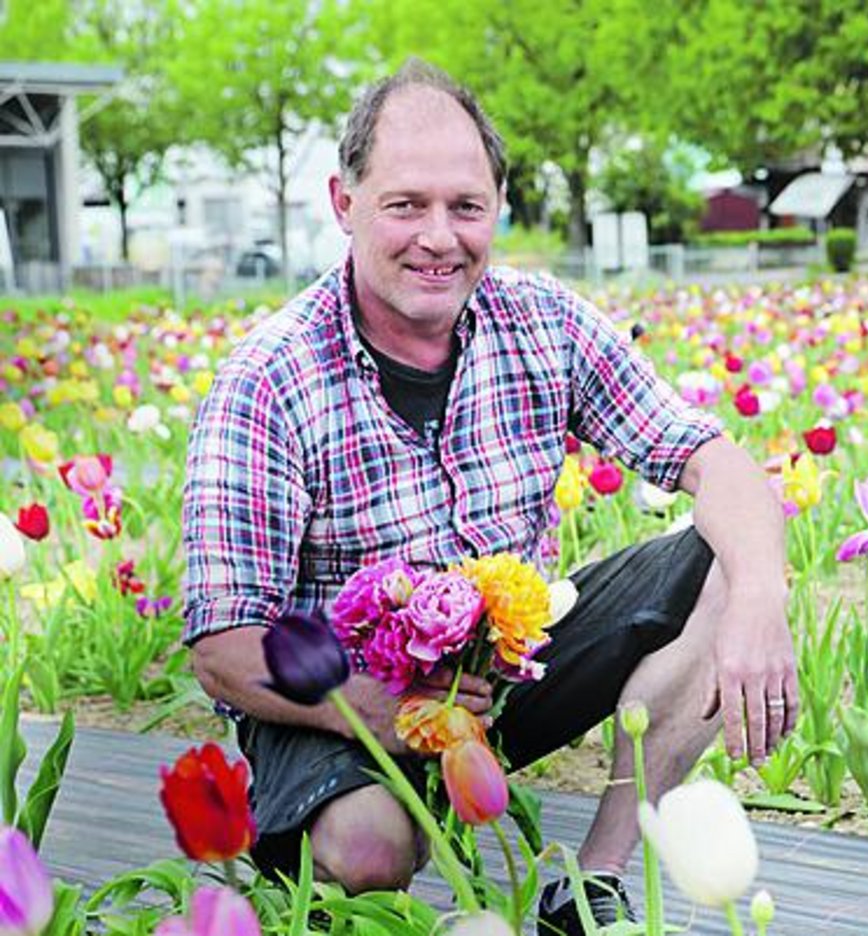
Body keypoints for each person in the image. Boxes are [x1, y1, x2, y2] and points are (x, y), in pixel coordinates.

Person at [181, 59, 795, 934]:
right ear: (343, 203)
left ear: (497, 207)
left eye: (466, 207)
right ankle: (340, 857)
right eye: (406, 205)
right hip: (337, 702)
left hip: (504, 672)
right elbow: (224, 644)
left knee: (728, 567)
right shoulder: (267, 380)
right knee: (365, 853)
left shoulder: (542, 322)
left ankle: (590, 888)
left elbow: (715, 460)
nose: (440, 236)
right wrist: (391, 715)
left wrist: (762, 603)